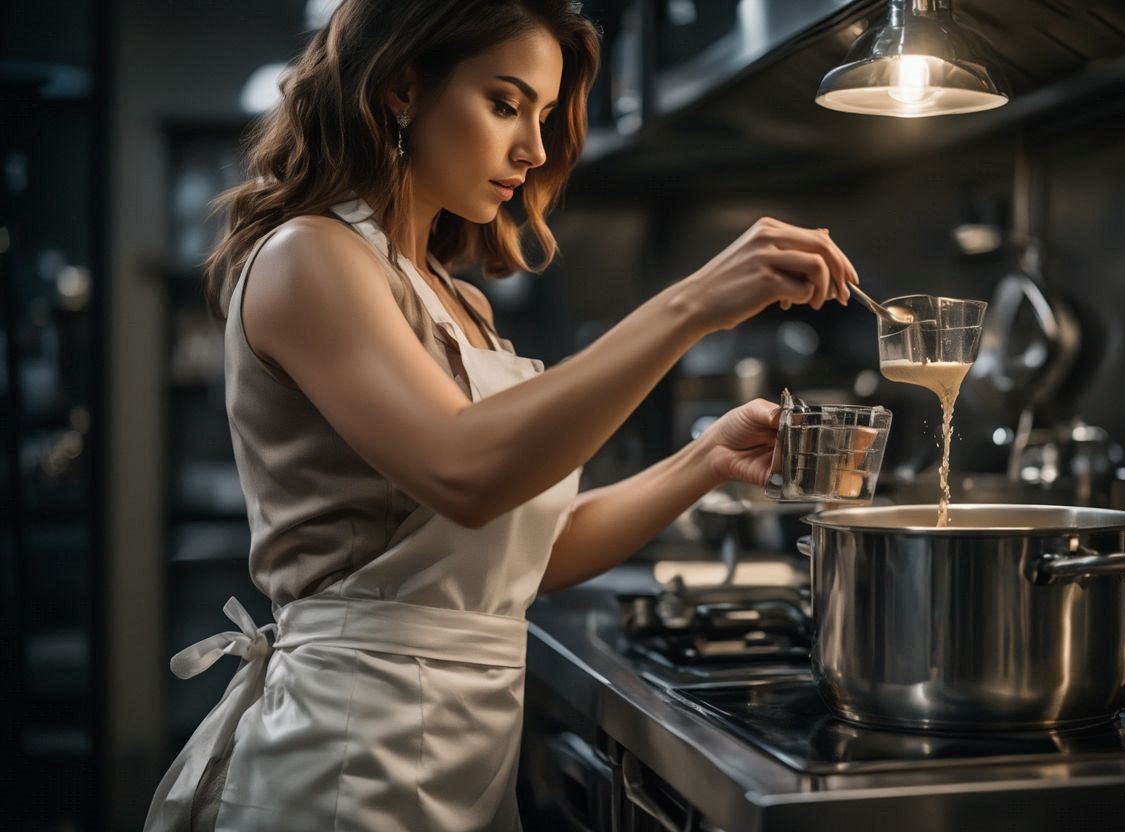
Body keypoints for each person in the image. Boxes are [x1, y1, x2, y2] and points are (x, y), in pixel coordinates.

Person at [144, 1, 857, 829]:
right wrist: (694, 303)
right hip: (343, 764)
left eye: (546, 116)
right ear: (404, 86)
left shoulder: (456, 301)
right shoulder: (309, 256)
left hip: (463, 760)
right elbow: (466, 472)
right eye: (506, 104)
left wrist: (702, 462)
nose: (536, 148)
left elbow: (524, 554)